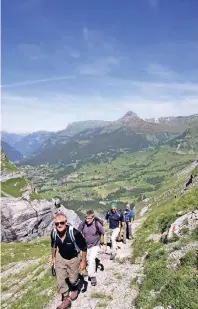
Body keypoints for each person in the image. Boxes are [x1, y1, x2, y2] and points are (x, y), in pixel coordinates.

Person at [51, 212, 87, 309]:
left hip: (74, 257)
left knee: (73, 279)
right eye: (57, 223)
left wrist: (83, 261)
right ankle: (66, 300)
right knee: (60, 279)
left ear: (66, 222)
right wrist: (53, 258)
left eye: (61, 223)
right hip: (61, 257)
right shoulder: (54, 233)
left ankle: (75, 287)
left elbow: (84, 247)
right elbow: (53, 245)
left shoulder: (74, 233)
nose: (59, 225)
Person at [78, 210, 105, 286]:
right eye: (86, 218)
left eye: (89, 218)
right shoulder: (83, 224)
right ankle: (90, 268)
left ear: (93, 218)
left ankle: (92, 276)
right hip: (86, 246)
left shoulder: (97, 224)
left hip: (95, 245)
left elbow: (104, 233)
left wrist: (105, 244)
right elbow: (77, 233)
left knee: (91, 259)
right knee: (86, 259)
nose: (87, 220)